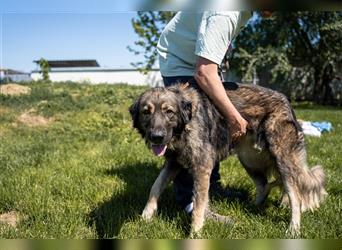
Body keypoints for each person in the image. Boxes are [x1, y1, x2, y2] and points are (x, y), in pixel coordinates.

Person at [157, 11, 252, 214]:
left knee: (210, 130)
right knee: (190, 135)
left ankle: (212, 187)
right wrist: (235, 118)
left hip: (196, 59)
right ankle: (189, 202)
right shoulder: (226, 12)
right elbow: (204, 73)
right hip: (181, 62)